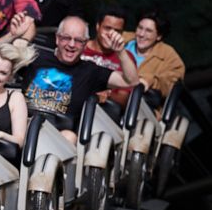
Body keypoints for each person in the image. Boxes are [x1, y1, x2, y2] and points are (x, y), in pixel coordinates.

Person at [20, 15, 139, 144]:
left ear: (85, 43)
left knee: (69, 137)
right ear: (57, 39)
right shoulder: (35, 57)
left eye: (78, 40)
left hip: (56, 137)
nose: (71, 44)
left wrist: (120, 51)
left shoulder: (91, 71)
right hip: (22, 124)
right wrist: (17, 37)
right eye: (66, 38)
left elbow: (131, 81)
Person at [122, 9, 186, 102]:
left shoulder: (168, 56)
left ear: (159, 36)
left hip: (140, 104)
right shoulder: (122, 38)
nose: (141, 34)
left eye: (148, 31)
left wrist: (149, 81)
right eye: (140, 28)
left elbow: (173, 82)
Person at [81, 5, 137, 110]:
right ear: (98, 26)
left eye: (117, 31)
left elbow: (124, 98)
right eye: (107, 28)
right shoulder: (79, 47)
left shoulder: (125, 57)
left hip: (103, 111)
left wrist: (107, 96)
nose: (111, 34)